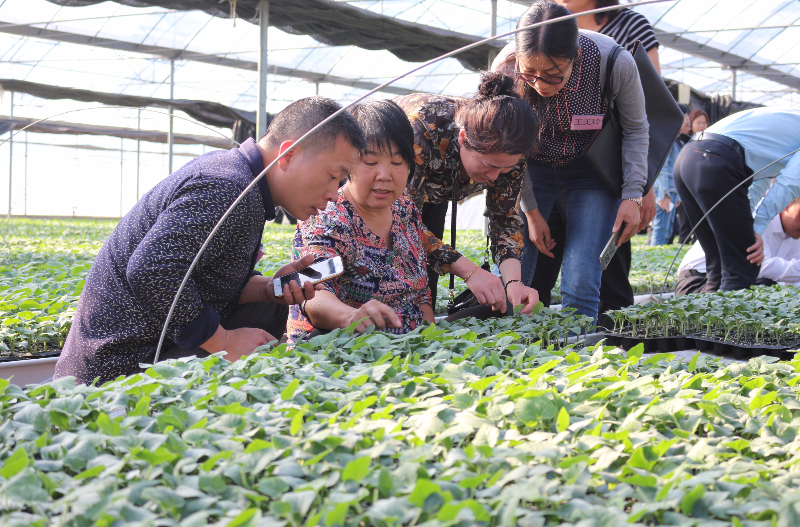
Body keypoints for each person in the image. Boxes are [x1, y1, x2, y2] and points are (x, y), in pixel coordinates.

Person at [55, 97, 367, 385]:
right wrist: (223, 342)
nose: (333, 194)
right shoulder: (227, 186)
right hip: (118, 363)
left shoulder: (243, 183)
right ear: (288, 154)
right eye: (332, 177)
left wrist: (267, 288)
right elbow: (152, 270)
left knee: (267, 310)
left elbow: (202, 278)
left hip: (152, 340)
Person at [494, 0, 649, 321]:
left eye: (552, 75)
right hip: (531, 167)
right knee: (516, 268)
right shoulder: (506, 69)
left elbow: (636, 129)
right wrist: (532, 212)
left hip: (590, 171)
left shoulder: (614, 63)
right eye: (530, 74)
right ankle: (511, 347)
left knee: (581, 273)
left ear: (575, 57)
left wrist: (633, 194)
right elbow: (509, 147)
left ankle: (576, 357)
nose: (539, 84)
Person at [394, 72, 540, 316]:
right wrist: (470, 271)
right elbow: (399, 221)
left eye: (506, 168)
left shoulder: (512, 150)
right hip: (392, 195)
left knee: (428, 275)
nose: (495, 177)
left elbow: (504, 219)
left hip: (436, 192)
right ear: (462, 138)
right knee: (400, 273)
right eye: (489, 167)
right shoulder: (422, 131)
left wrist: (514, 283)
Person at [286, 100, 434, 342]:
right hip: (338, 354)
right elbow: (313, 294)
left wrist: (431, 339)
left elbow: (420, 292)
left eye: (397, 163)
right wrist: (352, 317)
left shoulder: (404, 208)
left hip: (408, 349)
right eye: (371, 162)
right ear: (348, 164)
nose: (384, 175)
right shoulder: (329, 218)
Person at [674, 106, 800, 293]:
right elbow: (789, 183)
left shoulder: (789, 122)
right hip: (716, 160)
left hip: (690, 158)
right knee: (743, 265)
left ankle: (710, 320)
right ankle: (726, 322)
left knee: (718, 264)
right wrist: (756, 228)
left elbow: (760, 178)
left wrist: (748, 225)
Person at [675, 197, 800, 295]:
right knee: (764, 288)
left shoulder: (795, 233)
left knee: (767, 289)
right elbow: (760, 266)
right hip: (698, 280)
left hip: (736, 281)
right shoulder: (759, 215)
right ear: (787, 206)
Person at [670, 108, 711, 245]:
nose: (702, 126)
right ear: (691, 123)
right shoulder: (683, 142)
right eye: (698, 122)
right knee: (685, 228)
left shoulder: (710, 142)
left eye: (704, 123)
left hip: (702, 189)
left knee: (702, 228)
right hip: (685, 190)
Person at [651, 106, 690, 246]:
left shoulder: (676, 139)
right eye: (686, 116)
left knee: (667, 230)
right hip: (665, 191)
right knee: (661, 229)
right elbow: (662, 167)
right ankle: (654, 262)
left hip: (672, 191)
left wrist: (676, 195)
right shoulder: (667, 138)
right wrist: (664, 194)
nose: (688, 120)